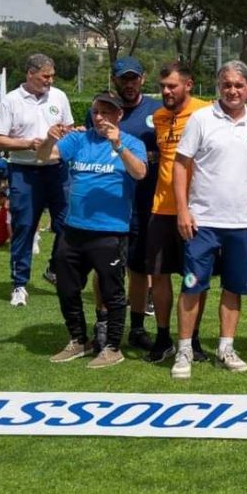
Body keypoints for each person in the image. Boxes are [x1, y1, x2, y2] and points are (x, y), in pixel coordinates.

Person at [170, 61, 247, 380]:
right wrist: (183, 210)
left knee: (233, 289)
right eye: (227, 84)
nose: (233, 91)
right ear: (219, 86)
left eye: (239, 85)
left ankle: (226, 348)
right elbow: (179, 164)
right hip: (202, 222)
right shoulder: (201, 119)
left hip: (241, 223)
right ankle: (185, 349)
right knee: (192, 287)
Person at [40, 92, 147, 368]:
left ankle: (112, 347)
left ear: (119, 115)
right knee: (66, 287)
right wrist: (51, 137)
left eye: (107, 112)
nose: (100, 117)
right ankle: (78, 340)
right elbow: (44, 156)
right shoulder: (78, 139)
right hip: (74, 230)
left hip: (110, 231)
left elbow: (140, 173)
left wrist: (119, 145)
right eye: (97, 111)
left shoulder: (132, 143)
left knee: (112, 291)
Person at [86, 57, 163, 352]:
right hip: (109, 202)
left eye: (133, 78)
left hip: (145, 202)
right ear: (115, 80)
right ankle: (103, 323)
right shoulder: (102, 109)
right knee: (103, 268)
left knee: (140, 269)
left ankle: (138, 327)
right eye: (123, 79)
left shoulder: (155, 110)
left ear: (143, 79)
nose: (128, 84)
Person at [0, 53, 73, 306]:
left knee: (67, 225)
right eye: (45, 76)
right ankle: (19, 284)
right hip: (24, 170)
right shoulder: (11, 101)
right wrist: (28, 142)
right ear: (30, 73)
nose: (50, 80)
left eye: (52, 76)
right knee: (24, 227)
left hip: (57, 169)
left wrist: (65, 135)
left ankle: (54, 268)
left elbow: (68, 128)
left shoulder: (59, 96)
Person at [144, 61, 211, 364]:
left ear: (189, 84)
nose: (166, 92)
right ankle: (162, 337)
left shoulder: (206, 112)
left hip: (196, 210)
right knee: (158, 275)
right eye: (163, 87)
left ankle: (193, 339)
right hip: (161, 208)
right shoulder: (158, 117)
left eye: (172, 86)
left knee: (195, 277)